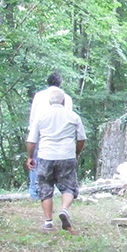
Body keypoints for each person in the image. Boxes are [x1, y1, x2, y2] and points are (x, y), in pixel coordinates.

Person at [27, 87, 86, 231]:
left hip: (46, 155)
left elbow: (32, 140)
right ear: (64, 101)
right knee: (68, 186)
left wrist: (29, 157)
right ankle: (64, 209)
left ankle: (48, 221)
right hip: (66, 155)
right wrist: (76, 153)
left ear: (49, 102)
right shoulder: (73, 116)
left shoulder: (41, 117)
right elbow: (81, 139)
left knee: (45, 187)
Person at [27, 72, 73, 198]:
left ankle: (34, 191)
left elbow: (33, 116)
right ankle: (62, 189)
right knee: (60, 162)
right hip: (61, 134)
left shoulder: (39, 96)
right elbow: (70, 117)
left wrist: (32, 132)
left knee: (35, 161)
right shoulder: (67, 98)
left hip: (41, 131)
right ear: (60, 83)